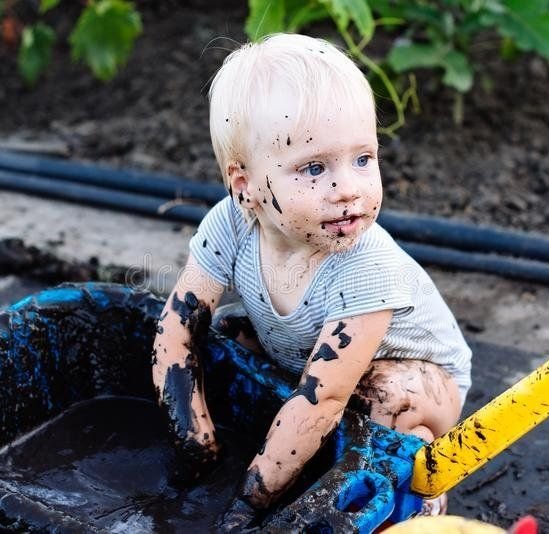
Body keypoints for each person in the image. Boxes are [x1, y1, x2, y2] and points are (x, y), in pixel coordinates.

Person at [151, 32, 472, 529]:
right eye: (315, 167)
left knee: (382, 398)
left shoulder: (366, 266)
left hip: (420, 382)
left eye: (364, 159)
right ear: (247, 188)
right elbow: (176, 331)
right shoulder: (231, 224)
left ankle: (418, 488)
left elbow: (323, 398)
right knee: (224, 336)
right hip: (304, 357)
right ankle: (287, 446)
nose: (348, 188)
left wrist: (248, 504)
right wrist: (194, 443)